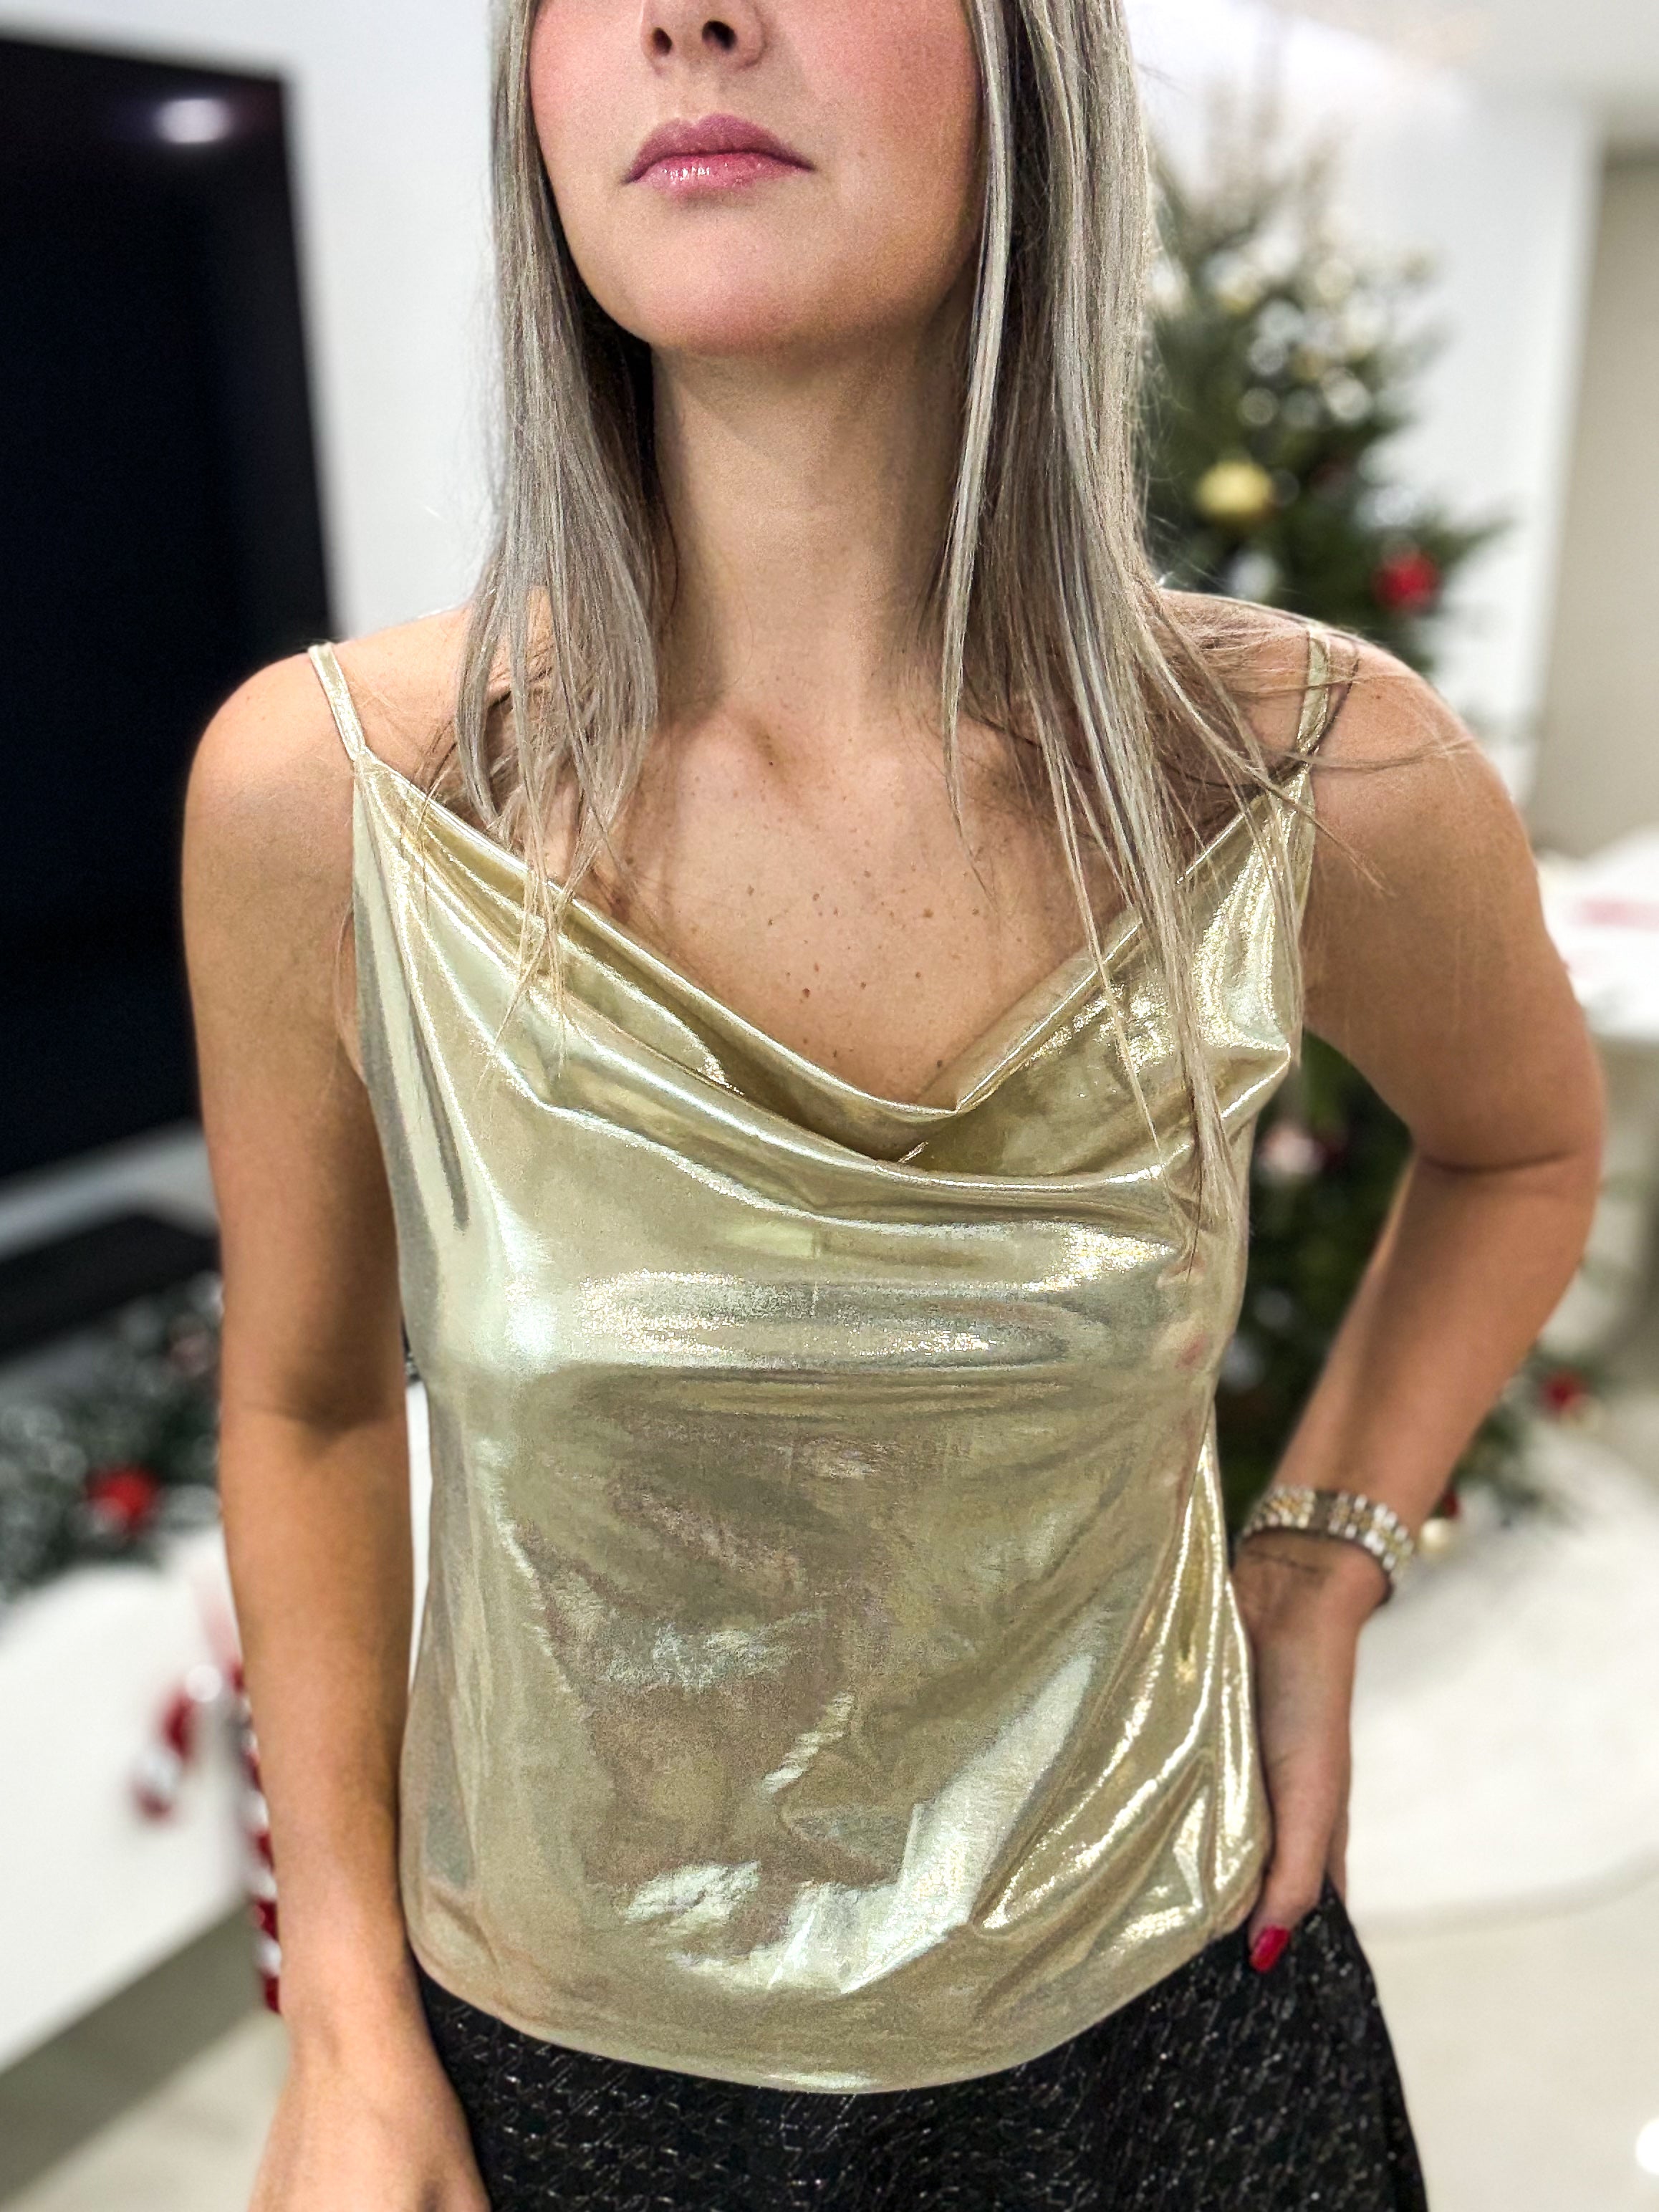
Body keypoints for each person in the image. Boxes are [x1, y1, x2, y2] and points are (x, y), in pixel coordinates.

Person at [181, 1, 1603, 2206]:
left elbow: (1519, 1142)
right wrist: (346, 2019)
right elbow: (304, 1406)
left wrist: (1319, 1563)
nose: (691, 16)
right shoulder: (333, 797)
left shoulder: (1307, 770)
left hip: (1166, 2038)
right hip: (573, 2082)